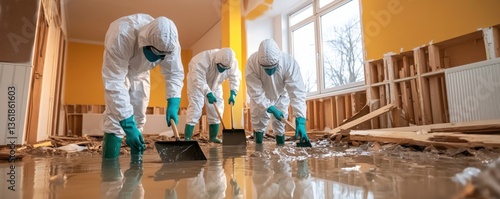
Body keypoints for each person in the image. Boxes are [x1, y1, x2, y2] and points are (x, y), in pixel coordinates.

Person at [101, 13, 184, 159]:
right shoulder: (121, 34)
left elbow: (174, 73)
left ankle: (135, 170)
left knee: (139, 117)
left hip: (142, 73)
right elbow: (115, 82)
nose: (159, 58)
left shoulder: (171, 44)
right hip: (121, 71)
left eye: (162, 55)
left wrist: (173, 102)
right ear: (145, 40)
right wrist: (127, 125)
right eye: (155, 53)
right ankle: (110, 172)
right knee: (115, 118)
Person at [245, 38, 309, 145]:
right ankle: (258, 146)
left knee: (279, 124)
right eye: (266, 68)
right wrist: (268, 106)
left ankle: (280, 148)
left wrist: (300, 119)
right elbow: (255, 90)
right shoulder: (252, 62)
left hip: (280, 95)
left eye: (272, 67)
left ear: (278, 60)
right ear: (260, 62)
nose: (269, 71)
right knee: (258, 121)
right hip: (261, 96)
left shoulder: (289, 63)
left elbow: (297, 92)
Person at [184, 48, 241, 143]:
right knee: (196, 107)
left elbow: (235, 77)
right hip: (196, 84)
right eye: (221, 66)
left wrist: (233, 92)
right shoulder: (201, 60)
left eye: (226, 68)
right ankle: (187, 138)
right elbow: (199, 79)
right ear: (216, 61)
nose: (223, 69)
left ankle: (213, 137)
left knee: (217, 108)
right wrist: (208, 92)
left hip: (216, 84)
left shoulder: (233, 63)